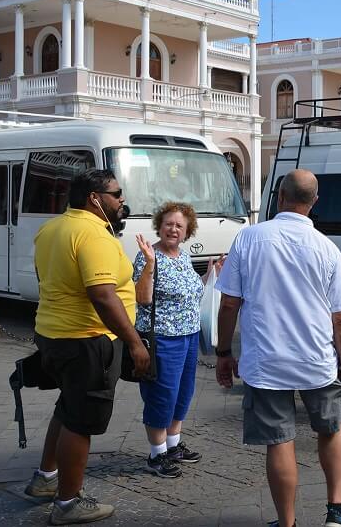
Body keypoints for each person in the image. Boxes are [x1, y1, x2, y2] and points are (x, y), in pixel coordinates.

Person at [215, 170, 341, 527]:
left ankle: (287, 522)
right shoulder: (327, 247)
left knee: (279, 440)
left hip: (266, 360)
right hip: (317, 358)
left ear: (279, 196)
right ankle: (336, 510)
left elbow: (229, 304)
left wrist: (223, 353)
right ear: (315, 202)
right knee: (331, 428)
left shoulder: (249, 238)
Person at [25, 169, 149, 525]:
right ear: (95, 198)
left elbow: (47, 280)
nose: (122, 200)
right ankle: (67, 503)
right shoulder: (93, 234)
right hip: (87, 341)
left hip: (53, 335)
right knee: (81, 422)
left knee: (68, 408)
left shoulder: (51, 229)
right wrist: (135, 342)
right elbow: (103, 296)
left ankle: (46, 479)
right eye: (117, 193)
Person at [133, 202, 222, 478]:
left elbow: (189, 291)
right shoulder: (148, 256)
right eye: (168, 224)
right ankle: (156, 454)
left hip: (188, 336)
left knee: (182, 393)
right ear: (159, 226)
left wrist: (210, 275)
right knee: (162, 395)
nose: (173, 229)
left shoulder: (183, 256)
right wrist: (149, 265)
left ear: (187, 231)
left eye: (179, 226)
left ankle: (173, 446)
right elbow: (142, 298)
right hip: (162, 338)